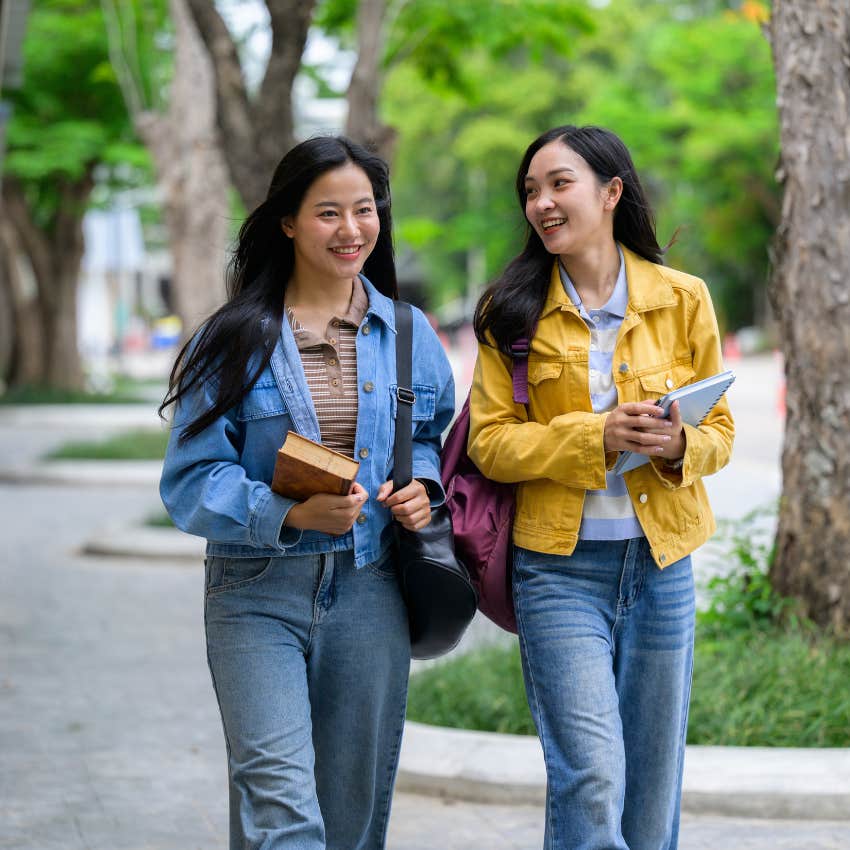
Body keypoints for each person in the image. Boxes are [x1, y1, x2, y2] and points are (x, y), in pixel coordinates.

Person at [159, 135, 455, 850]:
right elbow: (190, 479)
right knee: (281, 805)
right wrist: (286, 511)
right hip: (256, 592)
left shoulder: (409, 334)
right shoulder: (230, 340)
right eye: (328, 213)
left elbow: (429, 439)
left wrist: (424, 490)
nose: (351, 229)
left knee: (349, 817)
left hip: (371, 591)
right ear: (287, 221)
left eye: (364, 210)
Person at [468, 125, 734, 850]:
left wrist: (680, 443)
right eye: (531, 190)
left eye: (560, 184)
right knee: (590, 775)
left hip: (661, 567)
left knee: (650, 784)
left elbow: (723, 435)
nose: (542, 203)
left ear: (612, 192)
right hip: (557, 571)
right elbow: (489, 443)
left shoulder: (683, 299)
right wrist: (597, 435)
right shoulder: (510, 311)